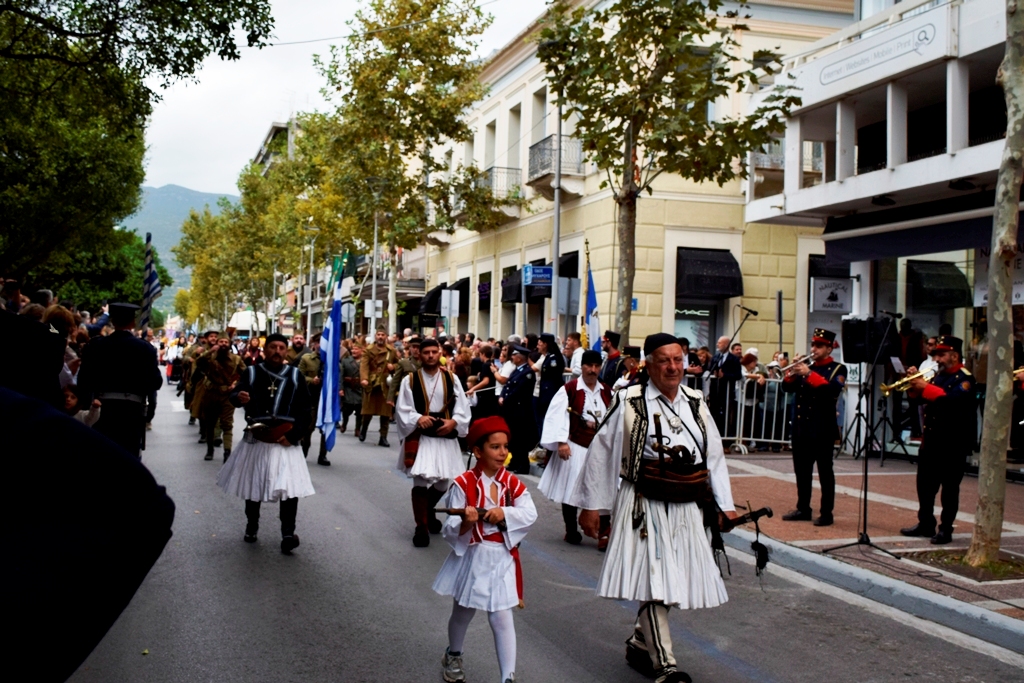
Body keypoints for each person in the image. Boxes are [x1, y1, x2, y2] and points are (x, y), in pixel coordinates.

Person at [569, 333, 737, 683]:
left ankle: (639, 642)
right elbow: (601, 452)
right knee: (655, 582)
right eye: (664, 360)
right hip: (642, 502)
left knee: (677, 579)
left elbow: (715, 454)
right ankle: (666, 666)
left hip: (688, 503)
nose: (673, 367)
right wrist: (590, 507)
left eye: (678, 359)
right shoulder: (629, 400)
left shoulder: (695, 400)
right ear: (648, 364)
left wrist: (725, 504)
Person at [433, 416, 537, 683]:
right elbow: (450, 529)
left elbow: (529, 514)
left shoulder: (512, 484)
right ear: (477, 451)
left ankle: (508, 677)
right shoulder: (463, 484)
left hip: (502, 558)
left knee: (502, 618)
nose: (502, 453)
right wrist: (466, 523)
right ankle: (454, 654)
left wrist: (504, 512)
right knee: (463, 613)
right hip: (474, 556)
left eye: (505, 447)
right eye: (494, 447)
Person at [216, 333, 315, 554]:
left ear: (285, 351)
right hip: (258, 437)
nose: (277, 351)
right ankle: (252, 525)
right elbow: (234, 395)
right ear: (265, 349)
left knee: (289, 490)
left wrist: (294, 435)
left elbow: (305, 410)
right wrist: (238, 397)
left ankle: (288, 533)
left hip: (285, 439)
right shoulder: (251, 372)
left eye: (281, 347)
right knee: (254, 484)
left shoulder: (296, 376)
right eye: (273, 347)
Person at [395, 338, 472, 547]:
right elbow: (402, 408)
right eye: (426, 352)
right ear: (419, 354)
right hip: (422, 436)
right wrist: (417, 418)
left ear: (440, 354)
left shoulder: (452, 378)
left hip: (444, 435)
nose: (430, 356)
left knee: (442, 483)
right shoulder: (409, 380)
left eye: (433, 352)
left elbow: (463, 406)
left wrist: (454, 421)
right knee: (420, 480)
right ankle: (421, 528)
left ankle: (427, 512)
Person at [900, 335, 976, 545]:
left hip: (953, 444)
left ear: (954, 355)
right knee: (924, 486)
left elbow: (951, 401)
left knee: (949, 490)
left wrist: (924, 387)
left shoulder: (965, 379)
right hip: (931, 442)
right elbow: (918, 402)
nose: (938, 360)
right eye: (936, 355)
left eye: (942, 355)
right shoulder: (936, 376)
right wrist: (913, 386)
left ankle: (946, 528)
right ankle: (925, 523)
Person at [539, 350, 611, 547]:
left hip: (600, 448)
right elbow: (556, 416)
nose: (593, 370)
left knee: (603, 488)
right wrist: (561, 442)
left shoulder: (606, 390)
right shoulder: (569, 389)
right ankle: (571, 529)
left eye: (597, 366)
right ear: (582, 367)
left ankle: (604, 532)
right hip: (576, 444)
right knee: (570, 489)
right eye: (589, 366)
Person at [76, 303, 163, 458]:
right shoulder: (145, 348)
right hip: (132, 411)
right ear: (132, 322)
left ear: (113, 322)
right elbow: (155, 382)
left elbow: (84, 381)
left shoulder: (95, 345)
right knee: (128, 458)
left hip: (102, 410)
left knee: (103, 456)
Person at [780, 329, 846, 526]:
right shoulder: (806, 367)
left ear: (828, 348)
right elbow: (788, 388)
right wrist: (791, 372)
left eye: (818, 346)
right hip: (802, 429)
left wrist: (809, 373)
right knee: (802, 471)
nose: (814, 349)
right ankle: (803, 508)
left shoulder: (838, 368)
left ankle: (827, 512)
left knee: (825, 472)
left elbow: (831, 391)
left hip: (822, 429)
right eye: (813, 345)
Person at [195, 332, 246, 462]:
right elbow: (198, 362)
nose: (223, 344)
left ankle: (227, 452)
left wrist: (236, 385)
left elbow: (246, 375)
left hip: (227, 396)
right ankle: (210, 450)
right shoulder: (210, 357)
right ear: (217, 343)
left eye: (226, 342)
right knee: (210, 423)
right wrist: (209, 352)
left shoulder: (236, 359)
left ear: (229, 344)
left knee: (227, 424)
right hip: (211, 393)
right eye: (221, 342)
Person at [499, 345, 537, 475]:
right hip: (511, 409)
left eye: (514, 355)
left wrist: (507, 398)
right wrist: (502, 396)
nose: (512, 357)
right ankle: (514, 461)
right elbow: (508, 385)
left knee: (520, 439)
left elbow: (519, 391)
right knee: (513, 438)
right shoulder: (517, 371)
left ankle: (522, 464)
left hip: (520, 411)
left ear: (520, 357)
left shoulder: (527, 373)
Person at [360, 326, 399, 446]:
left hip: (385, 384)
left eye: (383, 334)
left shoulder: (391, 351)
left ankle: (383, 436)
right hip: (372, 384)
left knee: (385, 412)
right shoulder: (368, 350)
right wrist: (365, 379)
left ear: (386, 336)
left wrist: (394, 367)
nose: (380, 337)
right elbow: (364, 365)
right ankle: (364, 429)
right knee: (368, 410)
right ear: (375, 336)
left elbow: (399, 363)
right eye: (379, 334)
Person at [298, 334, 330, 466]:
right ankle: (303, 451)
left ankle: (323, 455)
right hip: (311, 397)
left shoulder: (331, 360)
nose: (320, 345)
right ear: (314, 344)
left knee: (325, 428)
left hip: (325, 398)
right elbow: (299, 376)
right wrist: (312, 380)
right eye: (318, 342)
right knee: (308, 427)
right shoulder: (306, 358)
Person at [531, 332, 565, 427]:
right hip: (541, 393)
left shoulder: (553, 358)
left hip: (547, 394)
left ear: (545, 344)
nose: (538, 346)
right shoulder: (545, 357)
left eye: (540, 343)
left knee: (545, 422)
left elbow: (552, 378)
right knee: (539, 421)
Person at [388, 337, 421, 408]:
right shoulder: (404, 362)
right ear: (410, 348)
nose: (416, 350)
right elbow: (395, 381)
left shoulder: (427, 362)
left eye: (418, 347)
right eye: (413, 347)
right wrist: (390, 398)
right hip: (408, 395)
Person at [341, 343, 364, 435]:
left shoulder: (365, 361)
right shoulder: (345, 361)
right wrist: (341, 388)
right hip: (348, 388)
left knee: (360, 410)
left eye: (356, 349)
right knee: (346, 409)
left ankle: (358, 428)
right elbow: (341, 376)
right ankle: (344, 423)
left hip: (360, 388)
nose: (354, 351)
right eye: (353, 349)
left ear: (362, 350)